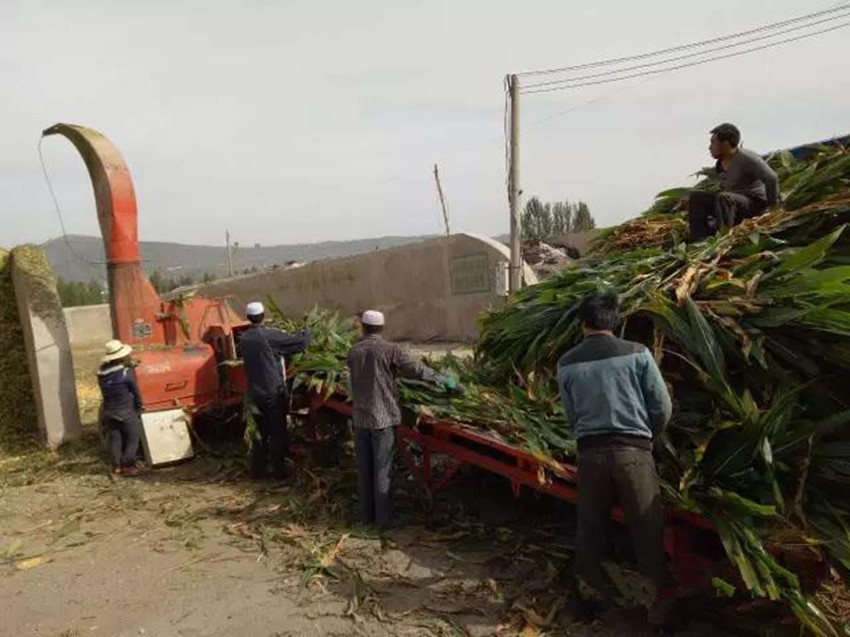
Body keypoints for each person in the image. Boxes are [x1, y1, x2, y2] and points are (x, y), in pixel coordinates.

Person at [558, 292, 681, 627]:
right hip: (634, 454)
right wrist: (646, 438)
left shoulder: (567, 363)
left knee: (590, 527)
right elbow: (662, 405)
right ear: (613, 321)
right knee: (646, 525)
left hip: (591, 455)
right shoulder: (638, 354)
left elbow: (570, 416)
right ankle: (661, 603)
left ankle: (588, 597)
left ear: (583, 322)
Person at [347, 310, 460, 530]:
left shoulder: (353, 351)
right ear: (381, 327)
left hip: (360, 418)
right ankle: (384, 521)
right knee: (382, 470)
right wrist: (445, 380)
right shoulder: (390, 350)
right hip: (383, 419)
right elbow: (418, 370)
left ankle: (365, 517)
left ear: (364, 327)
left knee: (365, 469)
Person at [240, 301, 311, 479]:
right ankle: (279, 472)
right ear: (263, 316)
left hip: (254, 393)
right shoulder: (269, 336)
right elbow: (299, 344)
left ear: (248, 318)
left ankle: (258, 471)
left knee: (260, 433)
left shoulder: (245, 338)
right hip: (272, 392)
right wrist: (308, 331)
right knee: (278, 431)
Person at [688, 123, 780, 241]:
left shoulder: (747, 158)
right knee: (697, 197)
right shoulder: (721, 163)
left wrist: (772, 207)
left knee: (725, 198)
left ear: (725, 143)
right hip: (732, 206)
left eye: (713, 143)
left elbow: (771, 178)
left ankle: (723, 238)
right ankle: (700, 238)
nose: (709, 147)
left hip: (753, 204)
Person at [97, 339, 144, 476]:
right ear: (121, 357)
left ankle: (116, 467)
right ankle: (128, 465)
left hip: (109, 411)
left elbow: (114, 374)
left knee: (115, 438)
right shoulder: (126, 372)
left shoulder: (101, 373)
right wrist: (139, 405)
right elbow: (134, 391)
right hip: (126, 411)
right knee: (134, 436)